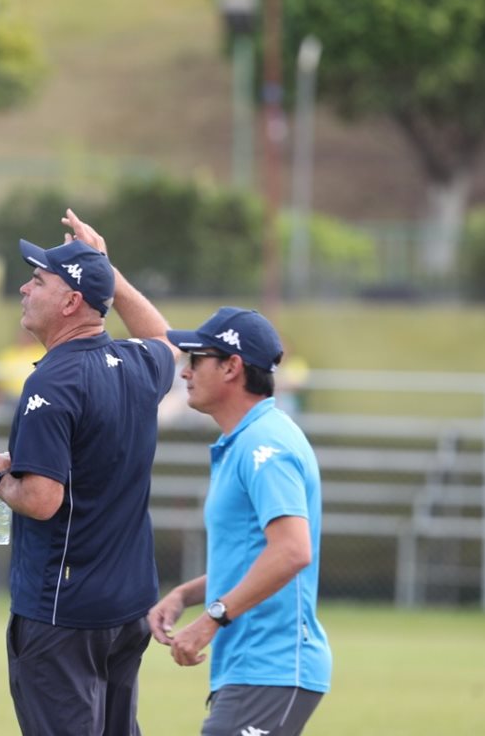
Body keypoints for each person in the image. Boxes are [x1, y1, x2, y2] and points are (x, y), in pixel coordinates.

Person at [66, 209, 331, 736]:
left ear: (231, 368)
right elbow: (262, 556)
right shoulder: (245, 440)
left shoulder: (265, 447)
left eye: (198, 360)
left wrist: (210, 617)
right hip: (253, 670)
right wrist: (187, 595)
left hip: (274, 669)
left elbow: (292, 552)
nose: (184, 370)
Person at [0, 215, 177, 736]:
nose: (24, 286)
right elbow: (166, 342)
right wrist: (110, 271)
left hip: (64, 611)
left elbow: (42, 500)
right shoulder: (135, 364)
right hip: (127, 605)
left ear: (69, 303)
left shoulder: (54, 383)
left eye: (38, 279)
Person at [0, 326, 45, 404]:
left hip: (35, 395)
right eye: (22, 335)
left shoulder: (41, 352)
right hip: (10, 398)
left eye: (27, 335)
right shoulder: (7, 354)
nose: (24, 338)